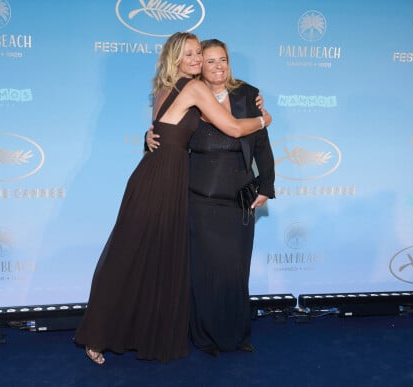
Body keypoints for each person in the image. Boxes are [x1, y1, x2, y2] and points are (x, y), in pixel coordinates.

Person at [73, 32, 272, 365]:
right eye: (189, 54)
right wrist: (265, 119)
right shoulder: (193, 88)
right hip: (162, 179)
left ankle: (132, 331)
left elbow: (169, 129)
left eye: (199, 54)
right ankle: (97, 334)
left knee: (144, 258)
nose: (196, 59)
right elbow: (234, 129)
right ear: (175, 58)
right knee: (130, 256)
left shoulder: (165, 88)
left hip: (157, 174)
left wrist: (148, 136)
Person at [146, 38, 275, 356]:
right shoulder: (190, 92)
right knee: (203, 273)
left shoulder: (247, 94)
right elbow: (169, 130)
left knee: (235, 269)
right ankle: (205, 338)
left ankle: (237, 335)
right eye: (210, 60)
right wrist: (147, 136)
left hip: (239, 199)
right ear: (199, 64)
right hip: (198, 198)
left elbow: (261, 145)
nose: (218, 66)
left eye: (223, 60)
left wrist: (266, 185)